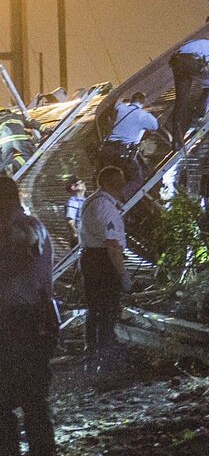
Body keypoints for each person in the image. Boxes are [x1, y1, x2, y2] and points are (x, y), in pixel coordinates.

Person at [0, 177, 62, 456]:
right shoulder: (33, 228)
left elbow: (12, 264)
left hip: (17, 328)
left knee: (17, 414)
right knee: (29, 411)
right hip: (27, 329)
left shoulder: (25, 231)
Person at [79, 166, 129, 359]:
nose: (123, 185)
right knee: (107, 305)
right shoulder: (105, 206)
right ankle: (105, 349)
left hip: (91, 258)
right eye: (120, 182)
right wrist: (123, 274)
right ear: (111, 183)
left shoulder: (92, 201)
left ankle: (93, 347)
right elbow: (112, 244)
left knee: (95, 307)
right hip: (102, 261)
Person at [98, 91, 160, 196]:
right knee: (137, 179)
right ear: (142, 103)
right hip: (123, 153)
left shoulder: (121, 108)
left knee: (111, 177)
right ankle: (120, 195)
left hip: (108, 150)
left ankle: (109, 194)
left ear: (131, 100)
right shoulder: (143, 115)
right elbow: (155, 126)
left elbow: (117, 102)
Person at [0, 108, 42, 175]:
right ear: (7, 111)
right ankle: (14, 166)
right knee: (33, 154)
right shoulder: (16, 116)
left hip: (4, 144)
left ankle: (5, 173)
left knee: (6, 163)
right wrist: (47, 130)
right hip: (19, 140)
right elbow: (32, 122)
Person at [65, 176, 86, 247]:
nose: (83, 183)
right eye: (80, 182)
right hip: (82, 240)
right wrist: (76, 235)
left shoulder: (86, 200)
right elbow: (71, 222)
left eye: (82, 182)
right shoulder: (73, 201)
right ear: (73, 187)